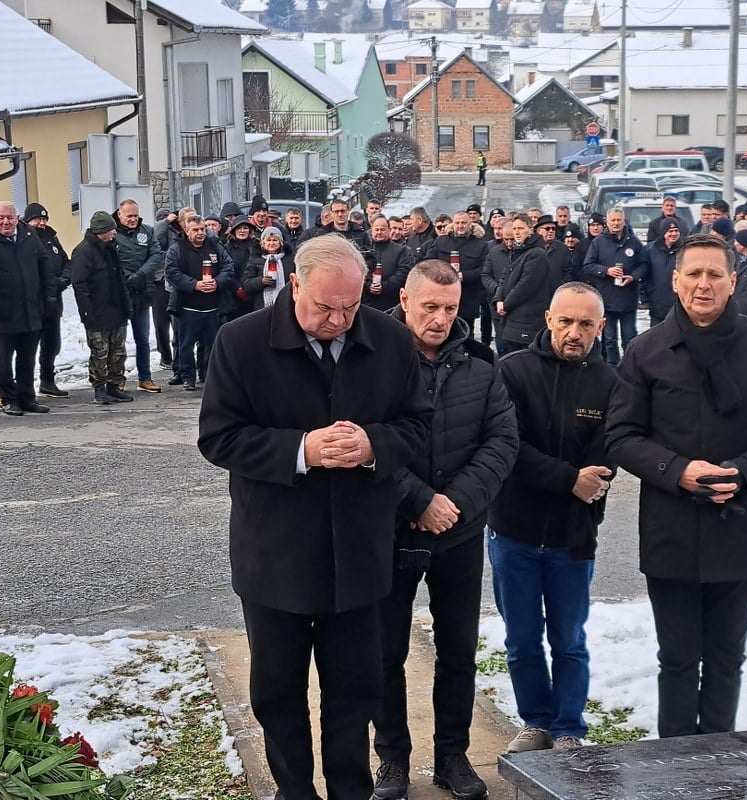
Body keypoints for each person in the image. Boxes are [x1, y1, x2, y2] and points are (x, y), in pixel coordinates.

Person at [198, 234, 432, 800]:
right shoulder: (241, 341)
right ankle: (294, 791)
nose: (338, 320)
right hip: (275, 551)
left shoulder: (390, 340)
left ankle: (351, 790)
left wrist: (373, 445)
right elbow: (219, 437)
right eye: (325, 307)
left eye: (351, 306)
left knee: (355, 690)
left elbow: (418, 426)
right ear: (295, 284)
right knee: (277, 692)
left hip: (358, 550)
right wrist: (302, 449)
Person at [606, 233, 747, 738]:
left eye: (714, 274)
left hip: (739, 525)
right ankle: (676, 766)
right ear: (675, 281)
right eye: (693, 274)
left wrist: (745, 471)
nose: (704, 284)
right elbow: (621, 436)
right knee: (676, 660)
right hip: (670, 528)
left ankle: (720, 766)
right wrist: (677, 470)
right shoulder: (646, 351)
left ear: (732, 282)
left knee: (725, 661)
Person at [372, 260, 518, 800]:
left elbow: (502, 442)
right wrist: (418, 500)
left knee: (458, 651)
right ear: (405, 301)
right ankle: (392, 759)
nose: (439, 318)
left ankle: (452, 756)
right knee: (385, 652)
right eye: (429, 307)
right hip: (391, 530)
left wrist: (451, 504)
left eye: (450, 308)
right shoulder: (374, 361)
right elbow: (366, 440)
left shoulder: (482, 367)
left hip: (458, 531)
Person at [488, 281, 618, 753]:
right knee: (522, 639)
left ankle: (567, 728)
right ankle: (536, 721)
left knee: (569, 640)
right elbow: (509, 448)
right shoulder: (512, 371)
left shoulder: (611, 384)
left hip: (573, 536)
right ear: (548, 319)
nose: (574, 332)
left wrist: (585, 480)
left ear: (600, 327)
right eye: (565, 321)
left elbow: (606, 457)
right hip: (513, 531)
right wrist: (568, 478)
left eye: (585, 324)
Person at [0, 201, 54, 416]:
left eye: (10, 217)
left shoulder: (29, 235)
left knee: (27, 358)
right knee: (3, 360)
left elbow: (44, 264)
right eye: (1, 218)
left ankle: (27, 398)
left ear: (17, 218)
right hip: (1, 313)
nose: (6, 222)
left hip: (30, 309)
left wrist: (48, 296)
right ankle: (9, 399)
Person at [164, 215, 234, 391]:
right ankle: (188, 378)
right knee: (186, 345)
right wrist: (194, 285)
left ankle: (209, 375)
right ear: (186, 230)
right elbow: (171, 272)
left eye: (202, 229)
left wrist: (217, 282)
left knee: (212, 345)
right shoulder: (177, 249)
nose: (200, 232)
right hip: (187, 307)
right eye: (195, 230)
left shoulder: (215, 246)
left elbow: (228, 267)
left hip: (213, 306)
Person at [71, 211, 133, 405]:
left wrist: (126, 304)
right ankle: (99, 388)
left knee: (118, 352)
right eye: (111, 229)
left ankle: (115, 385)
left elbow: (120, 278)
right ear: (101, 231)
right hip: (97, 312)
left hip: (116, 309)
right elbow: (80, 285)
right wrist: (87, 312)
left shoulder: (111, 248)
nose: (115, 232)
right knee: (100, 352)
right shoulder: (84, 252)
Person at [581, 207, 649, 366]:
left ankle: (630, 366)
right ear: (607, 222)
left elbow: (644, 265)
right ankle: (611, 368)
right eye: (613, 220)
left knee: (629, 337)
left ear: (624, 222)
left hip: (628, 299)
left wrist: (633, 277)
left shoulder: (634, 242)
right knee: (609, 339)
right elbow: (588, 265)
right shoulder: (598, 242)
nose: (616, 223)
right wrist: (606, 271)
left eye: (619, 220)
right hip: (607, 299)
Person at [114, 199, 165, 393]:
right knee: (118, 340)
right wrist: (126, 276)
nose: (133, 219)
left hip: (142, 293)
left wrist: (141, 274)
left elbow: (156, 255)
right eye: (129, 216)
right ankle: (117, 379)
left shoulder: (147, 231)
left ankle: (145, 378)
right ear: (120, 214)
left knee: (142, 338)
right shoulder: (112, 232)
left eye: (136, 215)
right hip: (121, 294)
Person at [22, 203, 71, 398]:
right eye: (37, 219)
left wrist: (65, 278)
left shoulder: (52, 238)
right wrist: (51, 283)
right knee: (29, 347)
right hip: (36, 302)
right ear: (28, 221)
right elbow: (32, 271)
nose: (41, 223)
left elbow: (66, 262)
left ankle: (47, 381)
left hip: (54, 302)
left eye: (44, 219)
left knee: (52, 344)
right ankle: (26, 387)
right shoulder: (25, 239)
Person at [492, 214, 553, 356]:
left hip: (527, 320)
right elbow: (504, 277)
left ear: (530, 230)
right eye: (514, 229)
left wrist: (506, 304)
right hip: (513, 319)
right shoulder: (517, 251)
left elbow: (526, 285)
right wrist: (498, 299)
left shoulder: (537, 254)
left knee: (523, 358)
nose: (517, 232)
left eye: (521, 228)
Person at [421, 211, 487, 335]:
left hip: (467, 298)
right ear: (453, 224)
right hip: (441, 295)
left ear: (470, 224)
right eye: (457, 223)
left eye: (464, 223)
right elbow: (428, 261)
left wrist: (464, 276)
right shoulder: (441, 241)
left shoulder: (481, 244)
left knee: (465, 333)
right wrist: (442, 274)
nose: (460, 226)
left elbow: (484, 269)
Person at [365, 216, 415, 313]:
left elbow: (403, 273)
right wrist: (368, 286)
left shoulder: (401, 250)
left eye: (383, 229)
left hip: (391, 302)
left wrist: (384, 287)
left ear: (388, 230)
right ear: (372, 230)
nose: (379, 232)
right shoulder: (365, 250)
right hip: (368, 302)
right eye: (376, 230)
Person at [241, 226, 295, 313]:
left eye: (275, 240)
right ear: (262, 243)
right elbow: (245, 283)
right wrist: (261, 281)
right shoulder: (255, 259)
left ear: (281, 243)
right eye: (268, 240)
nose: (271, 243)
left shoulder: (290, 259)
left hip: (287, 304)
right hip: (262, 306)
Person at [644, 217, 685, 325]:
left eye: (676, 231)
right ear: (663, 233)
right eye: (670, 231)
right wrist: (645, 297)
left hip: (678, 303)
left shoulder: (685, 250)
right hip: (657, 304)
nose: (674, 234)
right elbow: (644, 275)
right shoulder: (650, 250)